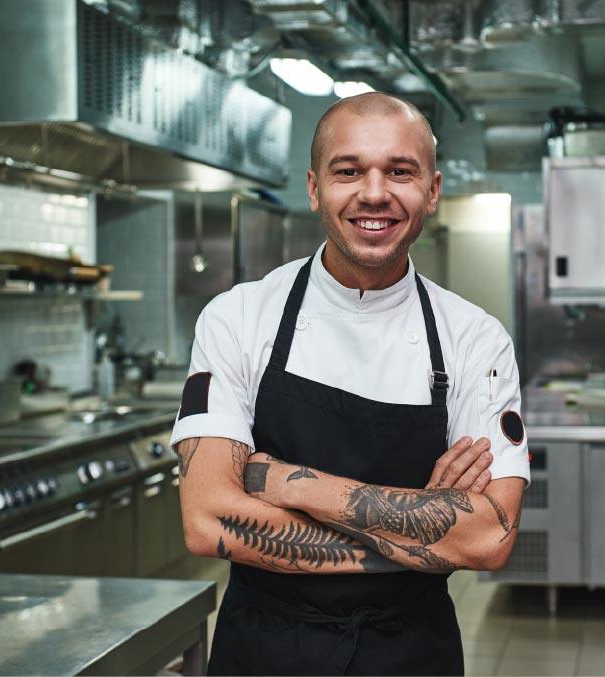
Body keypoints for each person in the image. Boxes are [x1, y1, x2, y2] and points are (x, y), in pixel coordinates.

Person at [171, 92, 530, 676]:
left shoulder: (475, 340)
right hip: (264, 651)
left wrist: (287, 482)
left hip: (411, 653)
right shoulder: (238, 318)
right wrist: (425, 538)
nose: (373, 193)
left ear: (432, 190)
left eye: (399, 171)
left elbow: (490, 536)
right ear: (314, 188)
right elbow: (208, 519)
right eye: (348, 171)